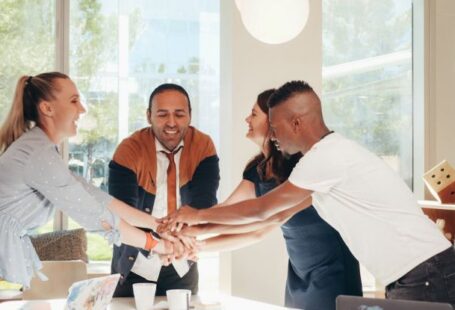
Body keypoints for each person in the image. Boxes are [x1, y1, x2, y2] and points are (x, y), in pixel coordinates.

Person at [164, 80, 455, 306]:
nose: (273, 137)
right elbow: (268, 216)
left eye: (275, 128)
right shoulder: (324, 161)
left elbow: (263, 210)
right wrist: (196, 233)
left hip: (425, 272)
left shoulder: (324, 158)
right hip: (415, 274)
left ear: (297, 123)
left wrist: (197, 214)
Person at [179, 89, 361, 310]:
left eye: (254, 114)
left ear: (273, 120)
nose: (247, 119)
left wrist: (194, 229)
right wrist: (193, 241)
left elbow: (263, 223)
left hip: (331, 270)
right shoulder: (259, 170)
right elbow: (232, 213)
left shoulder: (302, 167)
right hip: (299, 273)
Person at [0, 72, 182, 289]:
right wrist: (156, 245)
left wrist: (160, 227)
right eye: (74, 101)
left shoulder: (41, 149)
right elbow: (95, 214)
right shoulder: (38, 154)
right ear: (47, 108)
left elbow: (97, 198)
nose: (83, 109)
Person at [108, 83, 220, 297]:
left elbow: (204, 204)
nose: (171, 123)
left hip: (181, 261)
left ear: (190, 116)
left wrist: (177, 242)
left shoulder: (203, 146)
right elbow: (123, 212)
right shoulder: (129, 150)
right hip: (135, 262)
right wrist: (161, 242)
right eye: (162, 114)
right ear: (149, 116)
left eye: (179, 114)